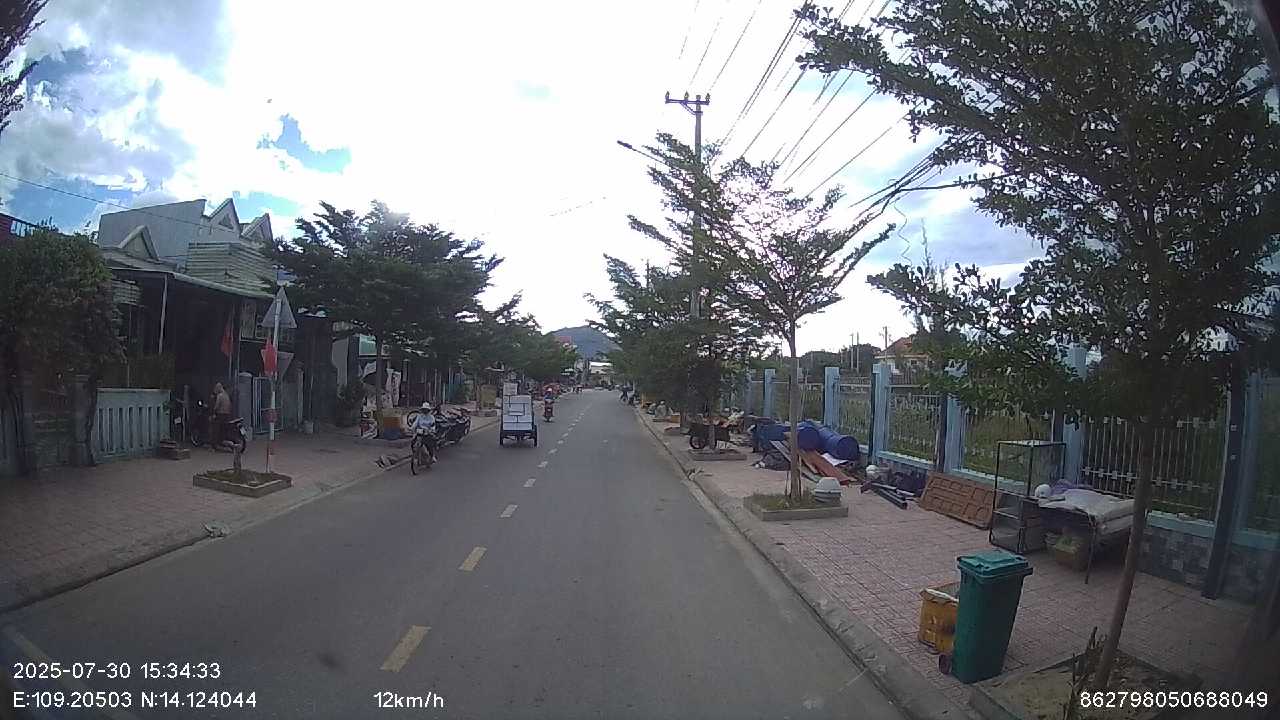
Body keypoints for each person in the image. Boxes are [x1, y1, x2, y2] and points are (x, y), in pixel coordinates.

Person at [211, 382, 232, 448]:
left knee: (215, 429)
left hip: (220, 414)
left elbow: (217, 406)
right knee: (223, 430)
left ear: (219, 388)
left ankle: (214, 445)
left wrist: (214, 411)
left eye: (217, 388)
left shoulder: (220, 396)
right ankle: (222, 442)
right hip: (227, 415)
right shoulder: (226, 395)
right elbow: (229, 405)